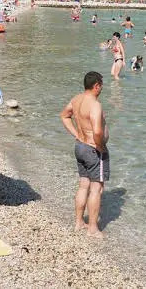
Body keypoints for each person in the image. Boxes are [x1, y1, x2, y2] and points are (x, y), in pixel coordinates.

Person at [59, 72, 109, 238]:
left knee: (83, 185)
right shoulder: (95, 105)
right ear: (96, 86)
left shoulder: (76, 99)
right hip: (93, 149)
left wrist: (77, 134)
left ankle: (79, 222)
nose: (102, 88)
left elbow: (64, 116)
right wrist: (100, 146)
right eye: (101, 85)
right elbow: (97, 131)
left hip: (80, 146)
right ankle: (92, 228)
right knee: (96, 189)